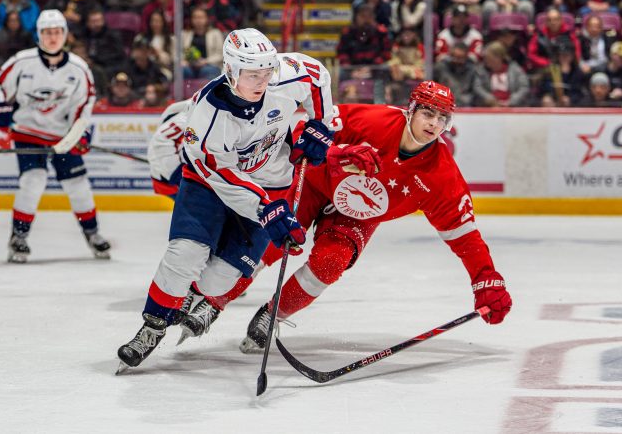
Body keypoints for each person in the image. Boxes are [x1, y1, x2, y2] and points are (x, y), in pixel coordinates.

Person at [176, 81, 513, 353]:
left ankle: (272, 314)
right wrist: (325, 150)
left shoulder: (442, 177)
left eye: (442, 118)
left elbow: (463, 235)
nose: (433, 124)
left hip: (359, 214)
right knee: (271, 244)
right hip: (315, 182)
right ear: (410, 110)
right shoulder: (374, 121)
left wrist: (486, 279)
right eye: (427, 113)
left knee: (330, 262)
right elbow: (312, 128)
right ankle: (214, 300)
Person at [116, 28, 335, 371]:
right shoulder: (206, 115)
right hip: (209, 184)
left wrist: (322, 123)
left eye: (266, 72)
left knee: (222, 279)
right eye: (252, 75)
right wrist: (267, 210)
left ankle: (191, 295)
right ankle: (153, 326)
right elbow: (224, 176)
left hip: (271, 183)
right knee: (185, 253)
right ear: (231, 71)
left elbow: (317, 75)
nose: (262, 81)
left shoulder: (284, 75)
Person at [0, 9, 110, 263]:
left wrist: (80, 131)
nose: (52, 38)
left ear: (65, 34)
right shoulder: (22, 62)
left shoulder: (79, 69)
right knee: (33, 180)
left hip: (63, 137)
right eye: (47, 32)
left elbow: (84, 104)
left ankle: (92, 233)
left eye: (57, 32)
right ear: (38, 35)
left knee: (78, 185)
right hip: (27, 132)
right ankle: (18, 237)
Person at [147, 99, 190, 199]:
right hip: (168, 174)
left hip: (169, 171)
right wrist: (180, 174)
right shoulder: (191, 115)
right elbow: (161, 142)